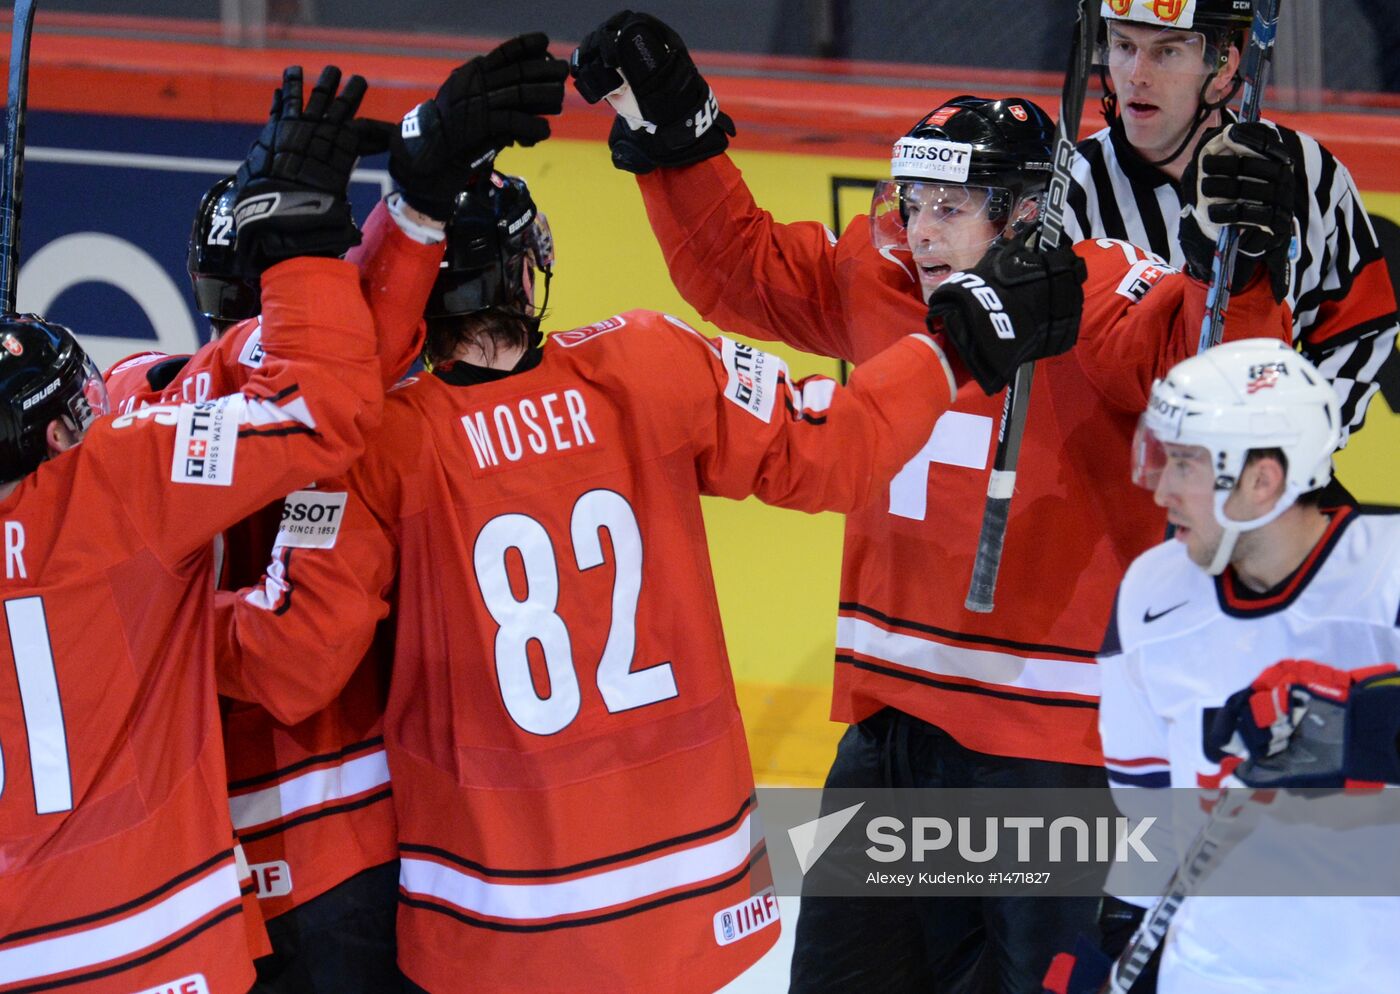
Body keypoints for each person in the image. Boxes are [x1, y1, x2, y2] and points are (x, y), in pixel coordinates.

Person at [209, 160, 1068, 992]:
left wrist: (180, 625)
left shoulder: (371, 448)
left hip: (502, 915)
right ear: (525, 269)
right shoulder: (653, 359)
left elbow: (296, 661)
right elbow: (842, 452)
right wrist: (952, 349)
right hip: (690, 893)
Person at [569, 10, 1297, 990]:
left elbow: (1207, 360)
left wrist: (1242, 263)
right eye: (913, 200)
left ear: (1025, 212)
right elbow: (738, 265)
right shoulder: (882, 285)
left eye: (951, 205)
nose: (919, 230)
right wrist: (675, 127)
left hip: (1050, 755)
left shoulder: (1091, 290)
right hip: (887, 737)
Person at [103, 35, 570, 994]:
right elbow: (346, 346)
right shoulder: (338, 405)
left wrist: (150, 637)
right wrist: (413, 203)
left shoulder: (122, 403)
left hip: (182, 869)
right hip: (339, 847)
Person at [0, 64, 385, 994]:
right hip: (156, 932)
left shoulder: (142, 413)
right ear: (61, 429)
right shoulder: (123, 473)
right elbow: (324, 400)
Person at [1083, 338, 1400, 993]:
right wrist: (1113, 934)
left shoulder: (1388, 575)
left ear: (1263, 479)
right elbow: (1149, 817)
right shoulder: (1151, 593)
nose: (1162, 489)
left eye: (1187, 465)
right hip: (1208, 976)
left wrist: (1351, 727)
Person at [1065, 0, 1398, 448]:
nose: (1136, 74)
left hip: (1260, 485)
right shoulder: (1067, 188)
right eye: (1124, 46)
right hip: (1115, 488)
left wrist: (1294, 448)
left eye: (1166, 52)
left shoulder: (1307, 172)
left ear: (1224, 67)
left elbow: (1361, 329)